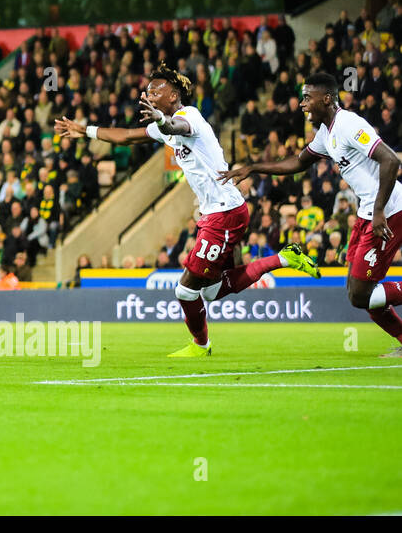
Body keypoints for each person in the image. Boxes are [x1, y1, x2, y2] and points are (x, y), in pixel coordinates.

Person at [56, 66, 319, 356]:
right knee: (210, 291)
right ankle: (283, 258)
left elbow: (175, 127)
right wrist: (86, 130)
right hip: (216, 213)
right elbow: (128, 136)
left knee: (185, 291)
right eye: (149, 91)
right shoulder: (164, 124)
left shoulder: (189, 116)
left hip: (226, 212)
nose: (150, 95)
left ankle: (200, 345)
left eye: (156, 91)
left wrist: (162, 120)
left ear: (174, 95)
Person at [220, 71, 402, 356]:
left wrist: (379, 211)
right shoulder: (326, 133)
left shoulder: (349, 124)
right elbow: (298, 161)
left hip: (390, 210)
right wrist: (254, 167)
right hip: (368, 212)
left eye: (307, 97)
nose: (302, 103)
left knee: (360, 295)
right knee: (357, 290)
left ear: (327, 99)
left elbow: (390, 160)